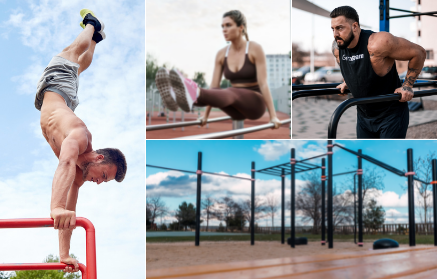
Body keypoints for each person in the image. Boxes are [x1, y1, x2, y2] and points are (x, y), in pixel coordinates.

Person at [35, 9, 127, 273]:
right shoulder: (80, 136)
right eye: (103, 175)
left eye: (102, 181)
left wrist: (64, 254)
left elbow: (69, 214)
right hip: (56, 87)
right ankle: (91, 26)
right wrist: (54, 207)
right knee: (74, 52)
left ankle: (97, 38)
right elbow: (64, 163)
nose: (98, 182)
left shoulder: (78, 176)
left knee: (80, 66)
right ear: (99, 158)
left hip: (63, 99)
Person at [155, 10, 282, 129]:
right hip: (235, 109)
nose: (224, 30)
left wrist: (273, 116)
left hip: (255, 105)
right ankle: (179, 96)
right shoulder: (221, 54)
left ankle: (192, 90)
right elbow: (214, 88)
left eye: (228, 25)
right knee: (219, 91)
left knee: (231, 90)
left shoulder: (255, 48)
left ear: (241, 27)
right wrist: (205, 116)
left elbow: (263, 83)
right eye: (222, 26)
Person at [330, 6, 426, 139]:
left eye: (340, 28)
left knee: (387, 157)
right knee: (366, 157)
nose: (335, 34)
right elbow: (350, 66)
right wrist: (347, 82)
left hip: (391, 115)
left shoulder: (378, 43)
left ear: (355, 26)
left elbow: (419, 53)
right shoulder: (337, 48)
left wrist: (407, 85)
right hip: (364, 116)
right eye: (333, 29)